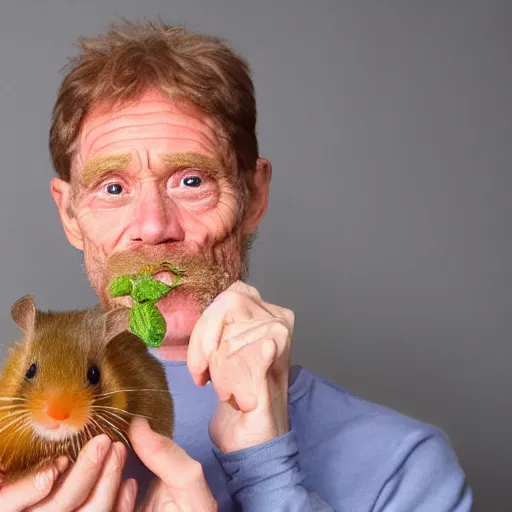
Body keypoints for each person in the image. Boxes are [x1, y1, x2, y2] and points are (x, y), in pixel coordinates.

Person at [0, 18, 472, 511]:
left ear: (254, 196)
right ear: (69, 214)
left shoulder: (403, 466)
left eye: (190, 181)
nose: (155, 226)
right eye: (113, 188)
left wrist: (267, 472)